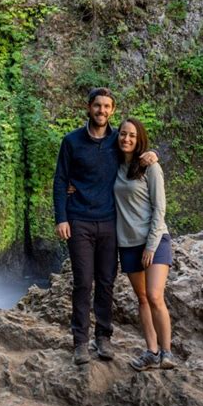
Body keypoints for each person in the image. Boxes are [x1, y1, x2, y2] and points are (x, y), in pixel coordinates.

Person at [53, 88, 157, 365]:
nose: (102, 111)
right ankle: (80, 343)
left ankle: (103, 337)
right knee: (83, 282)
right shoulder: (72, 141)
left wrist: (151, 154)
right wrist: (61, 217)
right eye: (97, 106)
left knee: (107, 282)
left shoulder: (117, 140)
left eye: (107, 106)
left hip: (111, 222)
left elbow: (137, 151)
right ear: (88, 107)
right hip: (79, 221)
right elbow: (61, 180)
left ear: (112, 109)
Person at [114, 117, 176, 370]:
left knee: (154, 295)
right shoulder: (115, 165)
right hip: (127, 243)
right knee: (141, 298)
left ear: (140, 140)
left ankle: (167, 352)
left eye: (132, 135)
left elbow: (160, 207)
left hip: (155, 240)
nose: (126, 139)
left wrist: (151, 245)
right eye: (123, 134)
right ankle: (151, 351)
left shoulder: (150, 167)